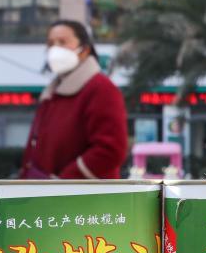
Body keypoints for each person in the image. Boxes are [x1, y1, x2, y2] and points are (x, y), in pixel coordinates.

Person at [20, 20, 128, 179]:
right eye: (50, 44)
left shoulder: (101, 89)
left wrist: (65, 182)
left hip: (85, 193)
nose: (55, 49)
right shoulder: (52, 93)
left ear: (84, 50)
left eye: (62, 42)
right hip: (47, 191)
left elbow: (110, 150)